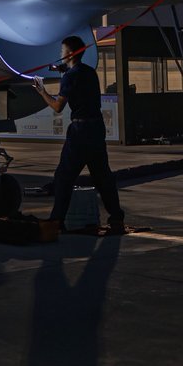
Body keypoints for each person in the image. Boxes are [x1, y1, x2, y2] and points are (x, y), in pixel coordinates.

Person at [33, 36, 125, 233]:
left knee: (63, 177)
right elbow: (79, 81)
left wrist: (42, 92)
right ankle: (116, 218)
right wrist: (64, 71)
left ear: (69, 54)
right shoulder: (89, 72)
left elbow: (58, 106)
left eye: (62, 51)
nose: (60, 54)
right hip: (96, 129)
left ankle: (57, 220)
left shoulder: (70, 77)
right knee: (102, 177)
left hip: (80, 132)